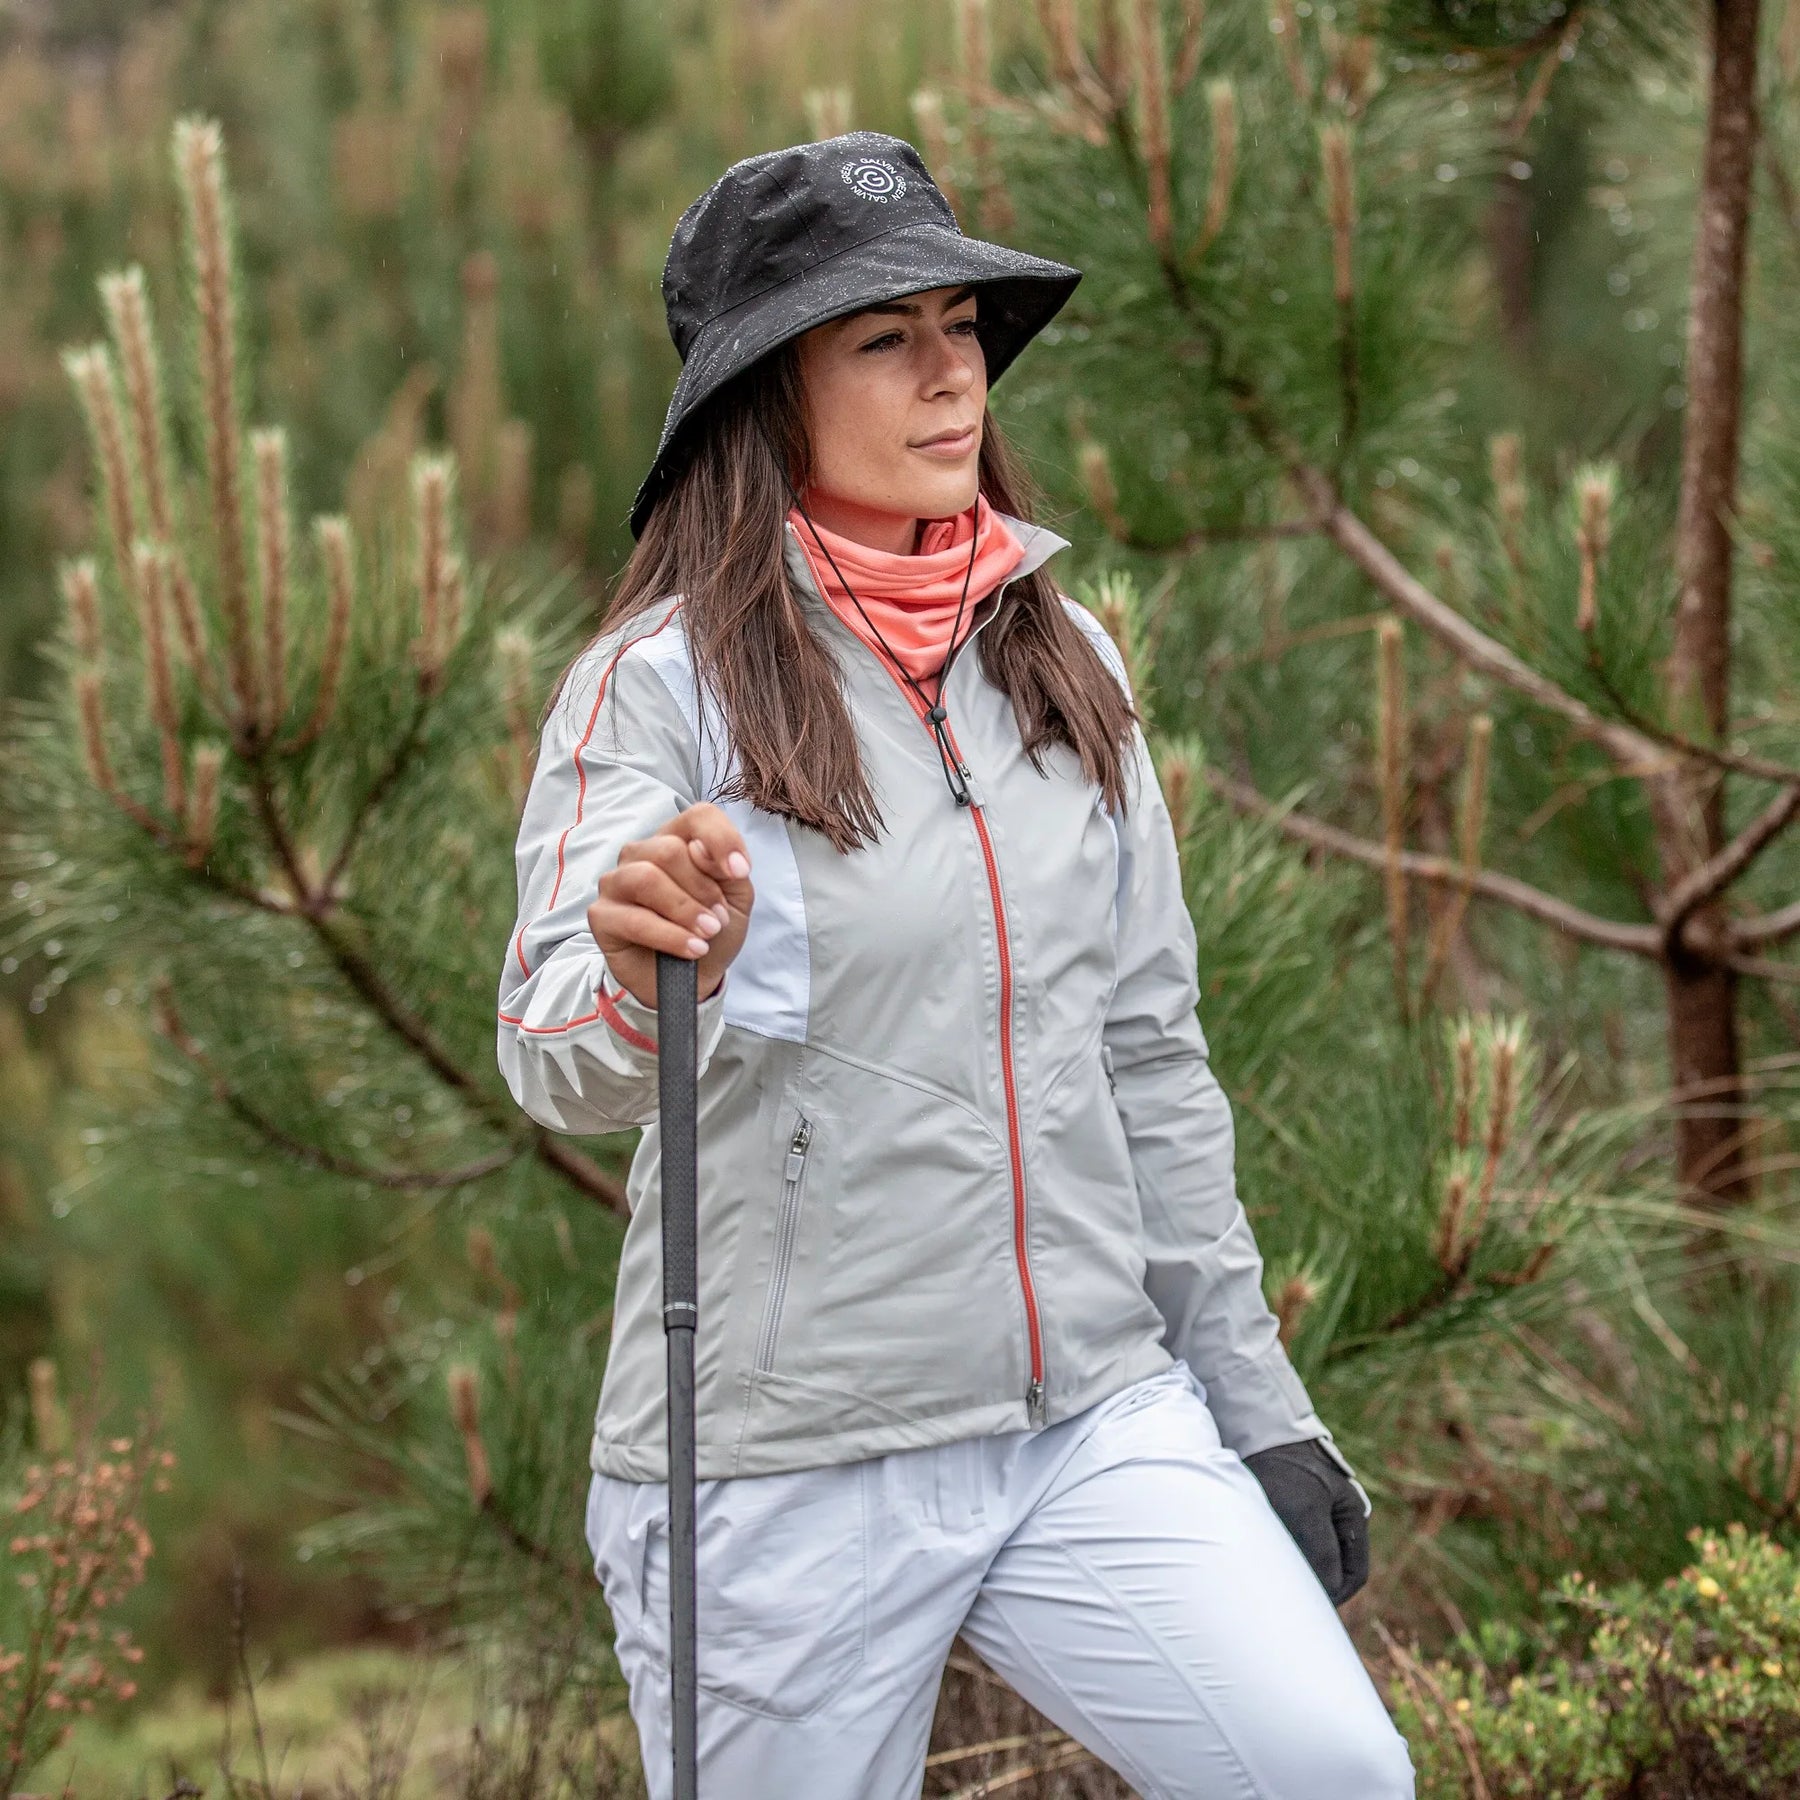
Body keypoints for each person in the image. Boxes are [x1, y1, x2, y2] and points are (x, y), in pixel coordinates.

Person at [497, 131, 1415, 1800]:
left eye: (962, 325)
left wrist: (1255, 1399)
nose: (951, 374)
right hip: (787, 1464)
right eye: (883, 337)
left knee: (1329, 1772)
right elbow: (552, 1049)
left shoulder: (1066, 663)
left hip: (1087, 1420)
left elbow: (1151, 1058)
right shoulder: (658, 688)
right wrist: (643, 968)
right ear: (765, 395)